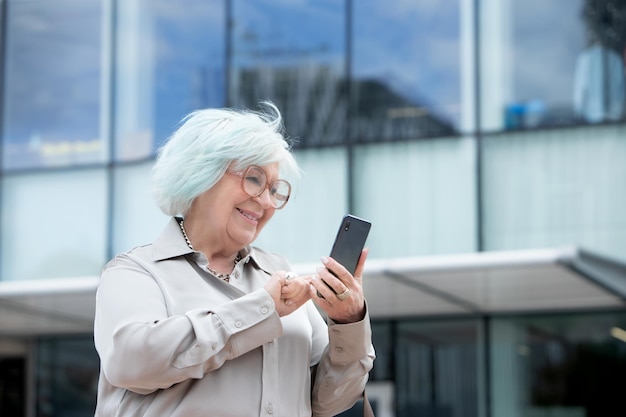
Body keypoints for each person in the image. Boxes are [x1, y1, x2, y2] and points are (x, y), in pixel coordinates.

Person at [93, 101, 376, 417]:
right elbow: (132, 363)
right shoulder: (135, 272)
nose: (266, 201)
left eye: (274, 189)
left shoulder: (280, 272)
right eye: (254, 179)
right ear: (201, 174)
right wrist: (262, 309)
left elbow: (330, 401)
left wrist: (349, 320)